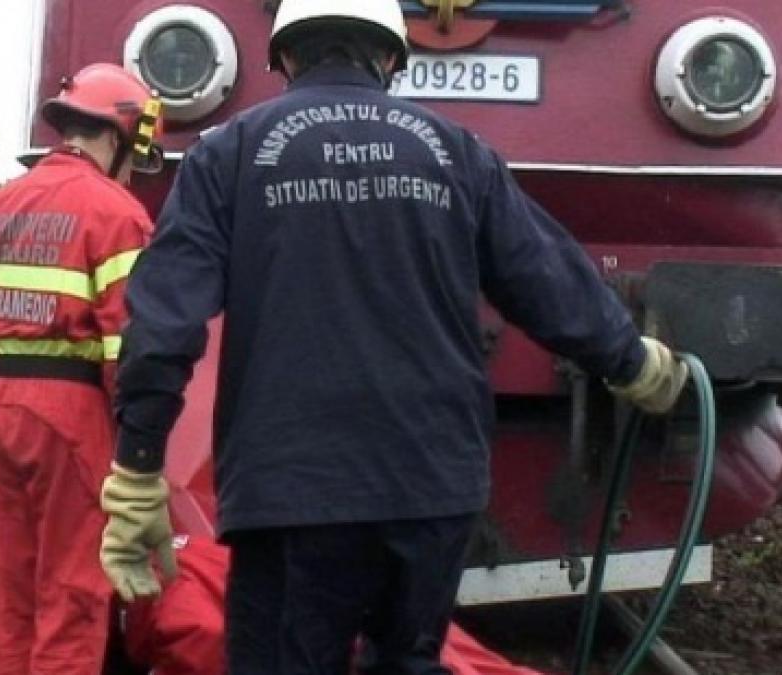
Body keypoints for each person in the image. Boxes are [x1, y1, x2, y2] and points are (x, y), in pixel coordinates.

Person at [97, 1, 690, 673]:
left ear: (285, 56)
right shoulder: (455, 151)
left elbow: (164, 324)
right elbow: (545, 278)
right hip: (432, 485)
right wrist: (632, 360)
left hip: (289, 487)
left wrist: (139, 466)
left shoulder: (227, 155)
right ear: (390, 58)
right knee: (409, 660)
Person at [0, 62, 161, 673]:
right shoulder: (117, 214)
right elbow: (128, 348)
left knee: (11, 587)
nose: (134, 170)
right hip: (71, 414)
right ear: (116, 136)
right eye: (135, 152)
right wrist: (138, 440)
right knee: (72, 591)